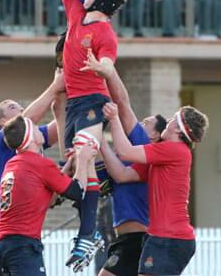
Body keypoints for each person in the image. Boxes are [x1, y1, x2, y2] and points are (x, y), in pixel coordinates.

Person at [19, 0, 128, 271]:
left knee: (83, 155)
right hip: (76, 97)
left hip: (93, 96)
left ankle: (88, 229)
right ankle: (88, 217)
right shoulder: (79, 15)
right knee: (76, 159)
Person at [94, 91, 208, 275]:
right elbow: (122, 174)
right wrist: (99, 139)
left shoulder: (174, 149)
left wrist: (114, 119)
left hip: (170, 237)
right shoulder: (161, 158)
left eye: (173, 119)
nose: (169, 121)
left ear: (179, 129)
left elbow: (125, 152)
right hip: (160, 237)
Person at [82, 54, 166, 276]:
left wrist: (109, 72)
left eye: (146, 123)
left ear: (156, 135)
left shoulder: (145, 145)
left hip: (136, 240)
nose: (140, 123)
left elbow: (123, 103)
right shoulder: (135, 152)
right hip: (126, 239)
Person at [0, 72, 64, 276]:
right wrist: (55, 85)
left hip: (19, 235)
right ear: (1, 122)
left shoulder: (33, 140)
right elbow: (22, 122)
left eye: (19, 106)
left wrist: (65, 99)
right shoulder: (4, 138)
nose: (19, 108)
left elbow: (60, 126)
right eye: (11, 107)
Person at [0, 114, 97, 276]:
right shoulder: (39, 164)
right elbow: (78, 191)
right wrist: (83, 159)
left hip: (2, 243)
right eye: (34, 127)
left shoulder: (13, 163)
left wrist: (68, 166)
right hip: (22, 244)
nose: (38, 128)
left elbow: (44, 192)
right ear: (31, 137)